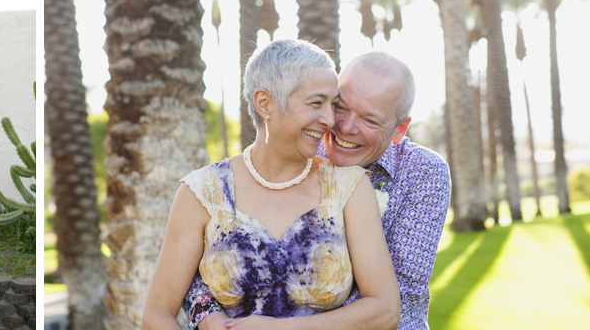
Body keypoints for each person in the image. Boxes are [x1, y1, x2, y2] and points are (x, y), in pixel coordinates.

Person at [142, 39, 401, 330]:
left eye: (333, 104)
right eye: (317, 103)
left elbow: (385, 310)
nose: (330, 120)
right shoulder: (203, 192)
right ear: (265, 103)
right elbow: (157, 314)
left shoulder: (348, 188)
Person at [184, 52, 452, 330]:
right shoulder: (303, 146)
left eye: (370, 121)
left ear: (400, 130)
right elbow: (210, 256)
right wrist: (211, 318)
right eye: (340, 106)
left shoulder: (424, 172)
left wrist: (282, 326)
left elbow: (398, 300)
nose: (345, 127)